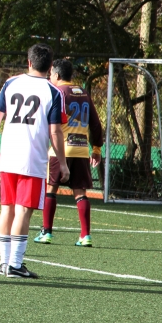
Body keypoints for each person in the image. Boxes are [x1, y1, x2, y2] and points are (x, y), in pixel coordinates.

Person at [0, 43, 68, 279]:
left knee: (7, 208)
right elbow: (55, 131)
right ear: (50, 67)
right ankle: (15, 264)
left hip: (8, 157)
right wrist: (62, 163)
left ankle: (4, 263)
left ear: (29, 62)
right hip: (32, 160)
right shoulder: (54, 92)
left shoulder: (11, 83)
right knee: (23, 210)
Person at [35, 58, 104, 247]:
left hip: (60, 149)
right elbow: (96, 124)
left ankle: (47, 232)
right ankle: (85, 235)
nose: (50, 77)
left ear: (57, 75)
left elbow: (48, 123)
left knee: (51, 189)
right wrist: (96, 149)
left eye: (51, 74)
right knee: (80, 193)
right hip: (81, 149)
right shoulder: (83, 92)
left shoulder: (56, 92)